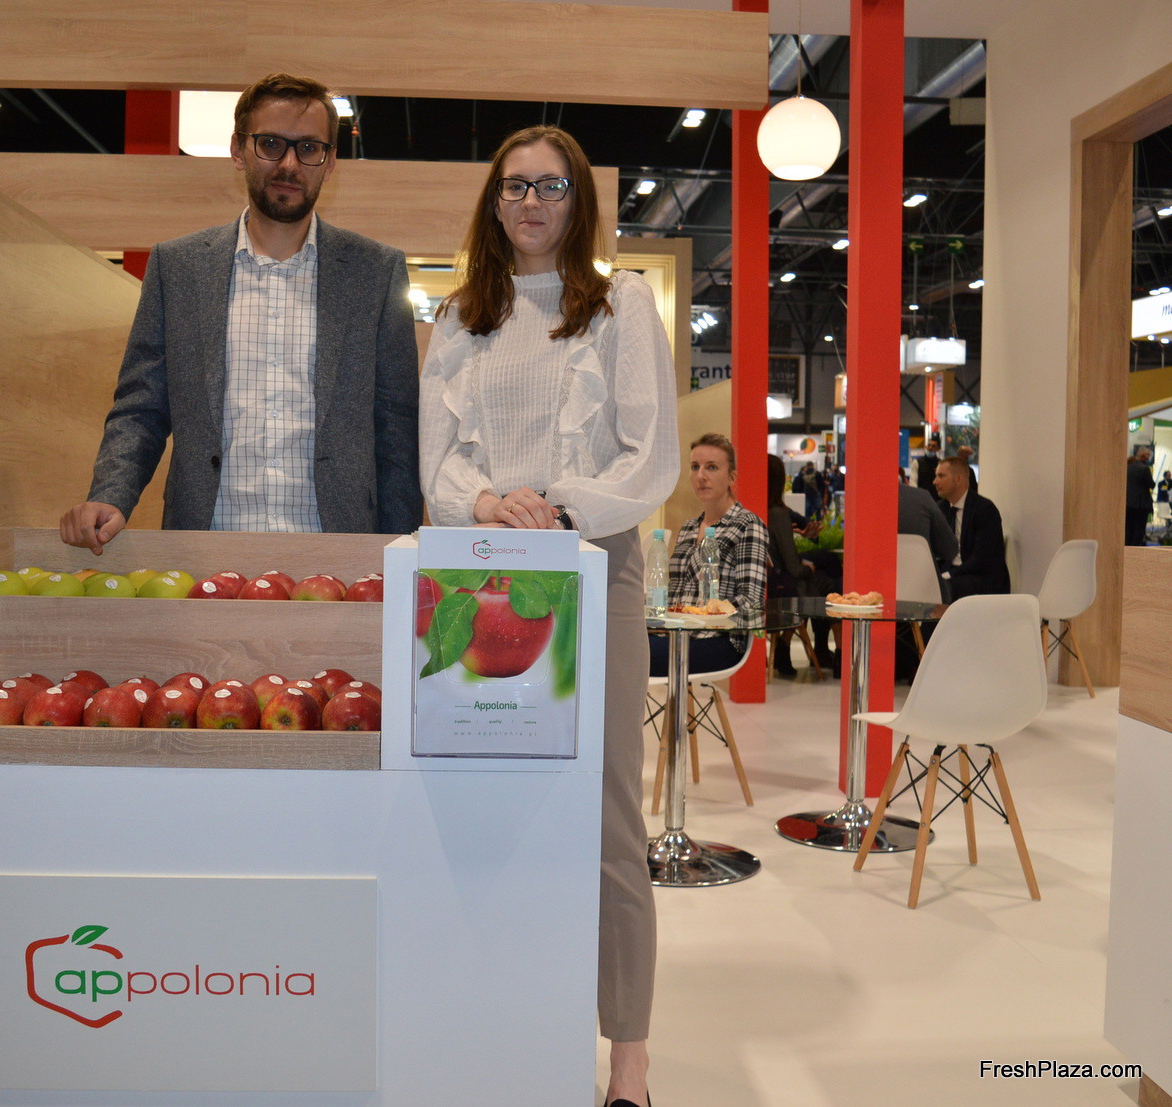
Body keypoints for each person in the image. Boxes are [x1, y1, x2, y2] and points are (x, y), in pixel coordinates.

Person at [418, 125, 678, 1107]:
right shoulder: (460, 315)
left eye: (552, 186)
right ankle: (497, 1015)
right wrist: (487, 503)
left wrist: (556, 509)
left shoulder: (619, 304)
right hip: (476, 573)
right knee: (483, 800)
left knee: (608, 810)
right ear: (493, 201)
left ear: (579, 202)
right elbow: (436, 459)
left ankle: (629, 1055)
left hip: (593, 566)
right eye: (515, 185)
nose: (531, 202)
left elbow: (649, 457)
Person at [61, 73, 421, 553]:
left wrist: (400, 552)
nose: (289, 164)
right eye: (270, 144)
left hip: (337, 550)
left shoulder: (376, 271)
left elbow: (396, 430)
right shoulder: (178, 266)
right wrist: (111, 494)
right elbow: (142, 406)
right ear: (238, 149)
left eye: (309, 148)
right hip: (204, 546)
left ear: (330, 161)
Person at [648, 433, 768, 679]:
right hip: (674, 633)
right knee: (615, 641)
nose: (701, 476)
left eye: (711, 467)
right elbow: (674, 591)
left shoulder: (747, 525)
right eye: (695, 467)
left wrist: (705, 615)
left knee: (625, 655)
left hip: (718, 639)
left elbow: (752, 602)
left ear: (731, 477)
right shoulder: (689, 527)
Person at [767, 454, 840, 673]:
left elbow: (800, 520)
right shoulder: (777, 513)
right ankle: (834, 649)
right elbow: (795, 568)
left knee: (827, 567)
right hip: (784, 580)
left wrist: (802, 529)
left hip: (773, 576)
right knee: (828, 580)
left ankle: (789, 645)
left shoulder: (766, 509)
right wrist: (808, 568)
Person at [933, 455, 1010, 597]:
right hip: (954, 573)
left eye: (941, 476)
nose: (935, 482)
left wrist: (948, 574)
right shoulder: (941, 508)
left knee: (945, 589)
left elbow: (982, 559)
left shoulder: (984, 509)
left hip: (981, 577)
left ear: (958, 479)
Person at [898, 478, 958, 597]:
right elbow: (950, 550)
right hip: (926, 594)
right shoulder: (920, 498)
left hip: (868, 598)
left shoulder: (859, 502)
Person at [1126, 447, 1155, 546]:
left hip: (1128, 503)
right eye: (1148, 455)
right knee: (1139, 529)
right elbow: (1151, 484)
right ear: (1144, 456)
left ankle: (1128, 548)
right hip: (1141, 504)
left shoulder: (1128, 467)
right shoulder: (1144, 468)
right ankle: (1136, 549)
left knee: (1129, 528)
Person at [915, 435, 942, 501]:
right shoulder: (917, 462)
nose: (930, 448)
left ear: (938, 448)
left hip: (937, 499)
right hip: (921, 498)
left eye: (933, 446)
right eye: (929, 445)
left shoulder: (941, 464)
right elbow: (913, 482)